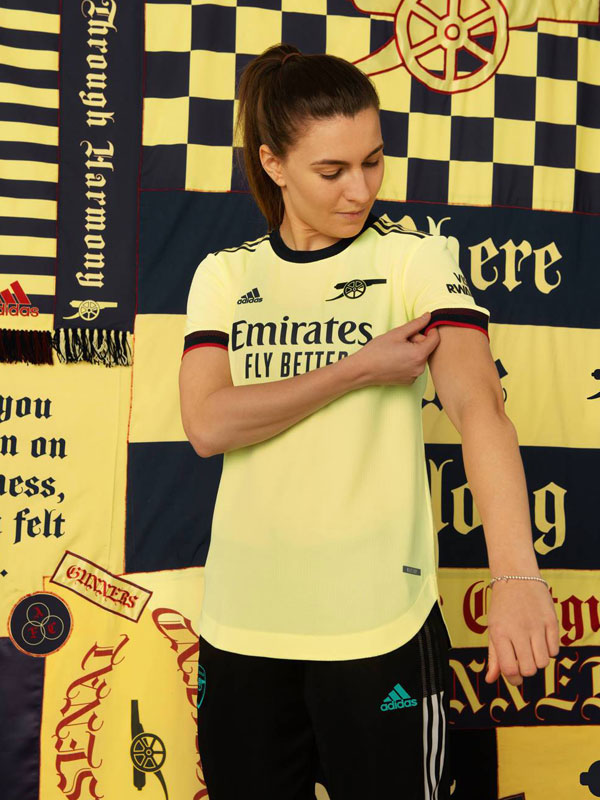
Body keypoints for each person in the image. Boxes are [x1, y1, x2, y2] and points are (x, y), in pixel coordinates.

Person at [179, 44, 560, 800]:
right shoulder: (225, 274)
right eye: (332, 171)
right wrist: (356, 368)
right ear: (274, 163)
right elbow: (208, 425)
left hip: (379, 627)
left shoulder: (415, 261)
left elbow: (480, 409)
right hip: (241, 627)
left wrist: (516, 574)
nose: (361, 190)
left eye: (373, 161)